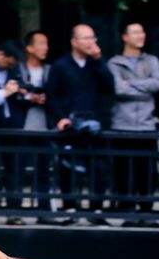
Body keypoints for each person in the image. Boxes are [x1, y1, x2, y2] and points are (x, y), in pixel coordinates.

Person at [46, 23, 115, 224]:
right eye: (85, 38)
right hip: (70, 124)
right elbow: (52, 95)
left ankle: (97, 210)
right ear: (74, 42)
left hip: (94, 123)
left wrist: (99, 60)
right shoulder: (60, 66)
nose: (91, 42)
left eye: (93, 38)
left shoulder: (97, 64)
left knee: (99, 167)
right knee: (68, 166)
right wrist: (60, 118)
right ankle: (69, 208)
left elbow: (110, 88)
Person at [108, 21, 159, 222]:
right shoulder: (115, 62)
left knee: (146, 169)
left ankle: (146, 211)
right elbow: (118, 89)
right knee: (124, 170)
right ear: (125, 37)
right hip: (123, 124)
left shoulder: (152, 60)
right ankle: (126, 210)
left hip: (147, 124)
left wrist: (131, 83)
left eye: (142, 31)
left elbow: (157, 84)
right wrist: (143, 87)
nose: (141, 36)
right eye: (135, 32)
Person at [17, 30, 56, 222]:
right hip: (22, 126)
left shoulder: (50, 70)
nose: (45, 48)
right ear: (29, 48)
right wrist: (29, 97)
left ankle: (44, 210)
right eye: (41, 43)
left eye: (46, 44)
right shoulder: (19, 69)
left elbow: (57, 95)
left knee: (43, 170)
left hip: (44, 126)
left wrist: (45, 98)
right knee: (18, 168)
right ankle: (15, 210)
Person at [0, 41, 24, 220]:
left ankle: (14, 211)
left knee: (13, 168)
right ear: (0, 55)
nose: (10, 67)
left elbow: (21, 86)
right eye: (8, 63)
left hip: (11, 125)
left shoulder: (13, 69)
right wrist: (3, 93)